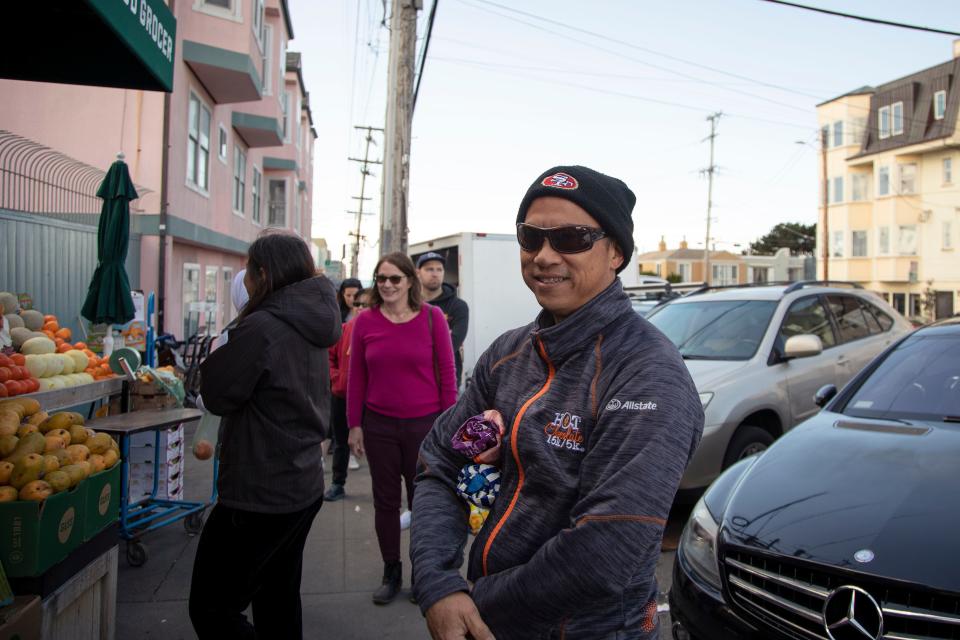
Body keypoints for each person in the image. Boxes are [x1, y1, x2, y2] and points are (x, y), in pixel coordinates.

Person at [410, 166, 704, 639]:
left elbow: (607, 548)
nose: (544, 256)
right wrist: (439, 585)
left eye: (571, 238)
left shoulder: (648, 374)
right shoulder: (508, 354)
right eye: (531, 237)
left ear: (617, 254)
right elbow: (439, 462)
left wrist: (472, 604)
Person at [189, 233, 341, 639]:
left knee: (212, 608)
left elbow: (216, 393)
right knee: (277, 597)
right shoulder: (312, 318)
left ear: (262, 273)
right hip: (302, 482)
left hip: (259, 489)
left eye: (248, 270)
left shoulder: (263, 326)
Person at [347, 252, 457, 605]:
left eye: (395, 278)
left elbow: (447, 374)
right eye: (381, 279)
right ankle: (391, 570)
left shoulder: (432, 318)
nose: (388, 285)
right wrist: (353, 426)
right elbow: (356, 380)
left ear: (410, 280)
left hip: (425, 427)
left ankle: (423, 574)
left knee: (425, 503)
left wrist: (448, 426)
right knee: (385, 502)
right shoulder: (365, 322)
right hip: (378, 425)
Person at [324, 287, 369, 501]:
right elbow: (329, 358)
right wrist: (336, 378)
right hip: (342, 396)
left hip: (372, 400)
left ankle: (386, 489)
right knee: (341, 442)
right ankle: (337, 483)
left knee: (379, 447)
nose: (361, 308)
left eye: (367, 304)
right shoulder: (343, 330)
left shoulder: (380, 333)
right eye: (358, 304)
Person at [416, 252, 469, 388]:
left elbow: (452, 344)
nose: (435, 274)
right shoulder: (410, 304)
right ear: (418, 273)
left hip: (446, 380)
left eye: (439, 269)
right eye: (429, 269)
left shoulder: (458, 306)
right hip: (414, 377)